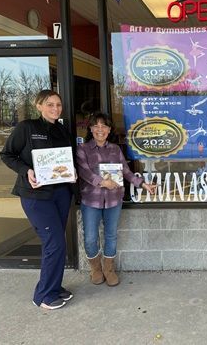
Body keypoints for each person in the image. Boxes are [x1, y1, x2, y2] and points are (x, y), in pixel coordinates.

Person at [0, 89, 75, 310]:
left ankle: (54, 286)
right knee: (55, 243)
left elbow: (66, 160)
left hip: (61, 193)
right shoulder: (27, 128)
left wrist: (72, 172)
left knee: (56, 242)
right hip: (36, 195)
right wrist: (26, 171)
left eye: (58, 105)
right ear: (39, 106)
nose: (55, 108)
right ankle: (43, 296)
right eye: (50, 104)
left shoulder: (62, 130)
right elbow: (7, 155)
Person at [76, 113, 156, 287]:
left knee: (111, 236)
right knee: (90, 237)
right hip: (91, 200)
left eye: (104, 126)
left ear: (109, 129)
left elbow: (125, 172)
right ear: (90, 129)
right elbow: (84, 172)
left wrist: (142, 184)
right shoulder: (83, 149)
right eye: (96, 126)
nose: (100, 130)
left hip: (113, 200)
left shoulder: (115, 149)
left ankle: (109, 269)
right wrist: (102, 182)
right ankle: (96, 269)